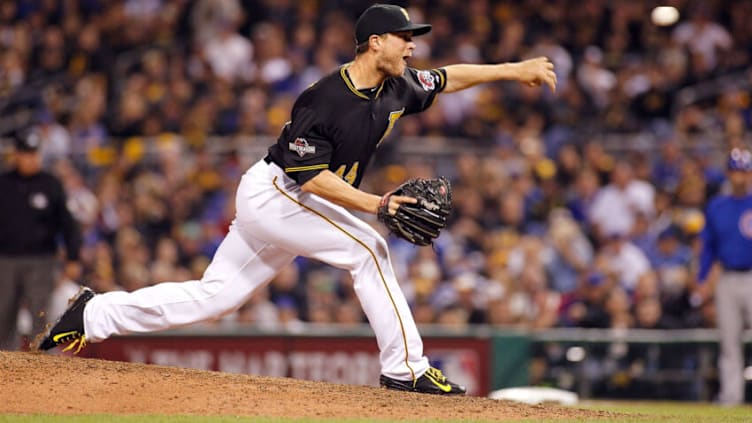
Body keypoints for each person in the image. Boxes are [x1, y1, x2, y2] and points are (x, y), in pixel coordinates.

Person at [36, 3, 556, 395]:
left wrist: (513, 70)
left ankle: (93, 315)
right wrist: (377, 204)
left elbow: (447, 79)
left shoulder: (397, 86)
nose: (412, 46)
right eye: (404, 38)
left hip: (290, 202)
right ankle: (405, 369)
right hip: (278, 194)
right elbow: (311, 179)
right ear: (375, 42)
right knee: (369, 249)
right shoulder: (324, 98)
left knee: (216, 295)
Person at [0, 131, 82, 350]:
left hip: (41, 261)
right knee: (3, 316)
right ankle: (4, 365)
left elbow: (68, 223)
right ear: (16, 155)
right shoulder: (3, 184)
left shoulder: (50, 184)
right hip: (5, 260)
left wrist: (73, 257)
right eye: (26, 153)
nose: (31, 159)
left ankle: (43, 368)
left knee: (41, 314)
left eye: (34, 153)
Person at [694, 147, 752, 406]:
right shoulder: (717, 205)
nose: (740, 177)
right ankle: (731, 398)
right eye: (736, 171)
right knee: (729, 343)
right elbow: (709, 248)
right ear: (729, 173)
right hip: (727, 278)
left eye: (744, 172)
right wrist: (703, 278)